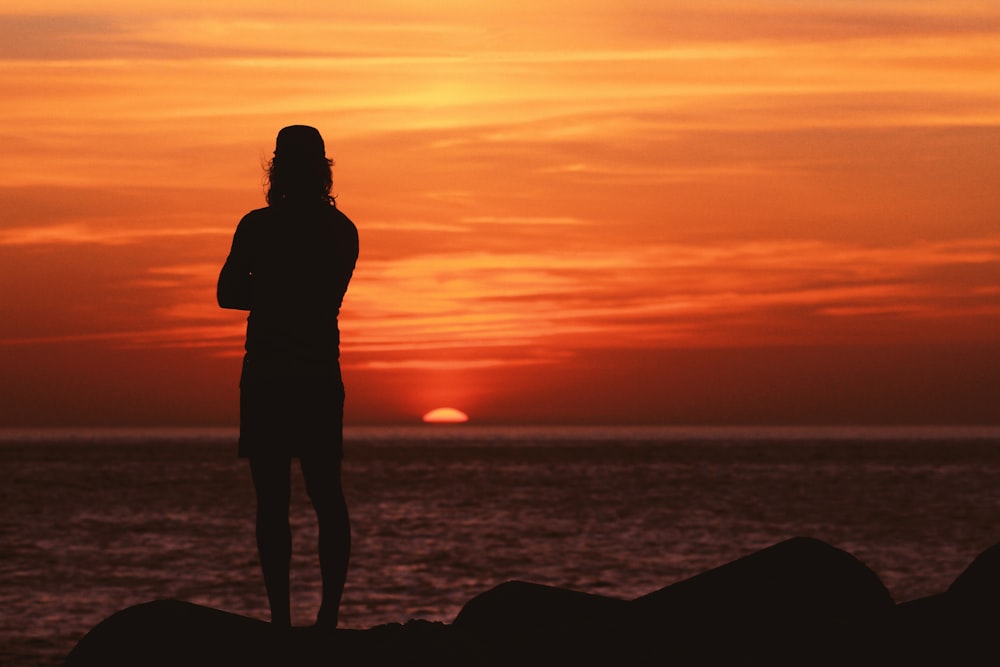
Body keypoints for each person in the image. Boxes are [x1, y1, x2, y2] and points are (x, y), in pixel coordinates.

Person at [217, 125, 359, 630]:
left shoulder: (259, 227)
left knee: (277, 501)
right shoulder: (342, 230)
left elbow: (231, 291)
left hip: (273, 374)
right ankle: (324, 620)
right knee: (324, 496)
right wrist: (288, 293)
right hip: (316, 373)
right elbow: (316, 295)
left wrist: (271, 291)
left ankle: (285, 621)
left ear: (276, 169)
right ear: (323, 171)